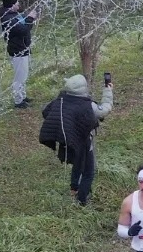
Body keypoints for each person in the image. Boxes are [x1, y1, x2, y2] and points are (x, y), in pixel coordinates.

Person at [39, 74, 114, 206]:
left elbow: (45, 111)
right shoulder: (88, 106)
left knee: (78, 163)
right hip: (83, 141)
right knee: (89, 171)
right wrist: (108, 90)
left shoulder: (60, 100)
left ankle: (74, 188)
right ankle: (82, 200)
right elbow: (104, 110)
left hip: (68, 140)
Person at [0, 0, 37, 109]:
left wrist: (30, 19)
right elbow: (22, 30)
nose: (18, 4)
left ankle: (22, 96)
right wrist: (30, 18)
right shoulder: (7, 18)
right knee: (19, 77)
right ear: (11, 5)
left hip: (23, 48)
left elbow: (23, 25)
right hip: (18, 50)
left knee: (23, 76)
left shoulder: (14, 15)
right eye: (16, 3)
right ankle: (18, 101)